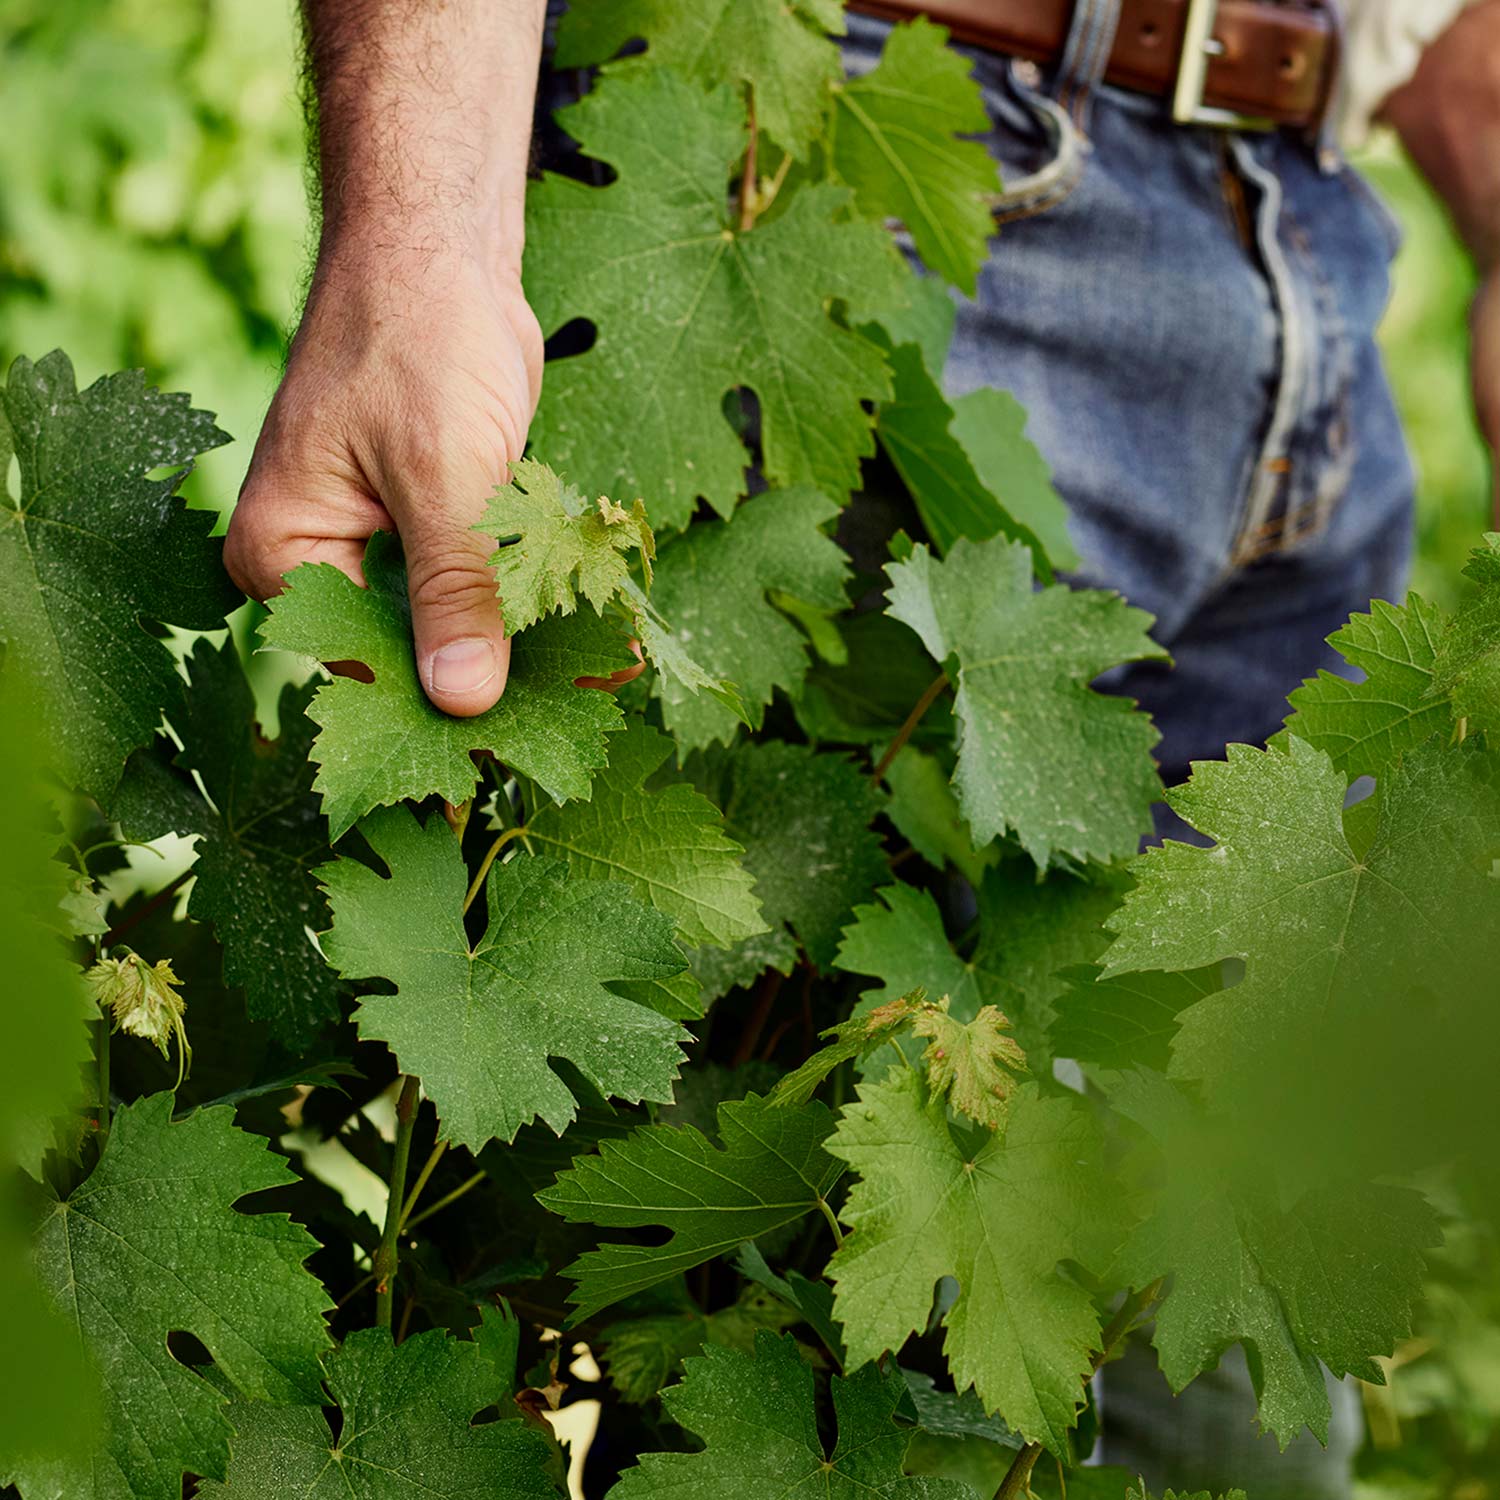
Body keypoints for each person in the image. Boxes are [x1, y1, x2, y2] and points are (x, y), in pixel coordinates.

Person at [222, 1, 1500, 1492]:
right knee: (787, 1320)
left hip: (1314, 236)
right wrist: (417, 236)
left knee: (1217, 1380)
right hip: (880, 159)